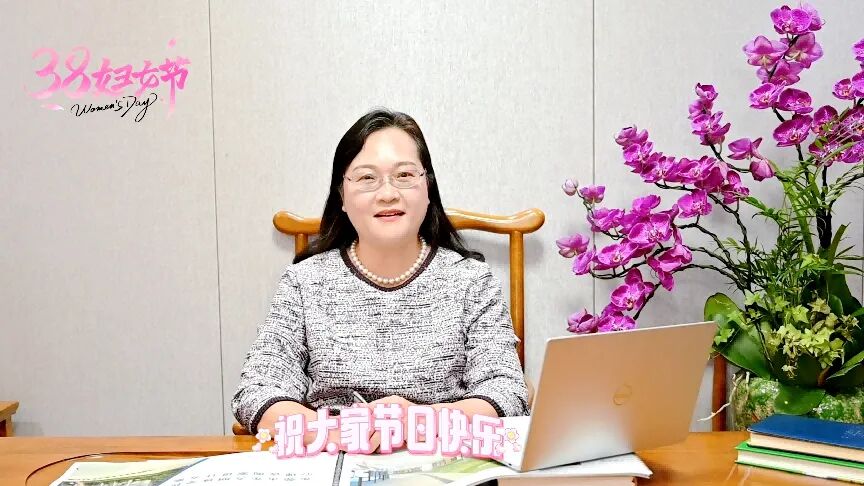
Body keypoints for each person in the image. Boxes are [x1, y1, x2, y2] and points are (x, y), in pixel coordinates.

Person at [232, 108, 529, 451]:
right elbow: (257, 390)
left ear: (427, 188)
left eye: (404, 175)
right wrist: (338, 432)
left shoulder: (471, 281)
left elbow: (506, 390)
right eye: (366, 178)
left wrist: (420, 420)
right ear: (342, 196)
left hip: (442, 458)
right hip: (334, 456)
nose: (387, 193)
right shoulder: (305, 282)